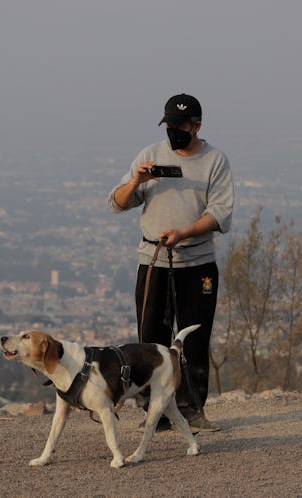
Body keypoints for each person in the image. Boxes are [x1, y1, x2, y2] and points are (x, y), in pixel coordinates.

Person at [108, 93, 234, 432]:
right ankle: (154, 412)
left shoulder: (215, 161)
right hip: (153, 262)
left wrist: (184, 233)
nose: (173, 132)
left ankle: (192, 410)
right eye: (169, 126)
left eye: (180, 126)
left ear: (196, 126)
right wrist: (138, 181)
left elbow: (219, 213)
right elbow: (117, 202)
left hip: (198, 264)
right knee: (151, 339)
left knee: (194, 337)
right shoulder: (150, 155)